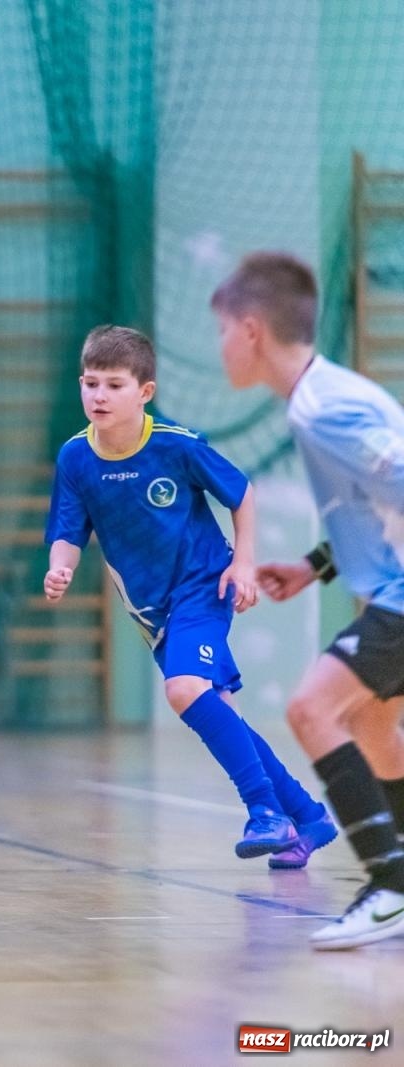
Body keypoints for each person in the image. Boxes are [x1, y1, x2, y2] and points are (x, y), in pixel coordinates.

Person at [44, 324, 334, 870]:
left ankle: (265, 812)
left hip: (203, 584)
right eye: (90, 383)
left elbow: (241, 493)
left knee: (183, 689)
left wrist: (243, 563)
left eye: (113, 385)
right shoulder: (75, 457)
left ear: (144, 392)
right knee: (218, 712)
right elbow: (68, 528)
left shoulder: (175, 444)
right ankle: (309, 816)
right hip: (151, 609)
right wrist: (60, 568)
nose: (99, 396)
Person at [213, 250, 404, 949]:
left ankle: (390, 885)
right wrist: (317, 564)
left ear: (252, 330)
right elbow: (373, 504)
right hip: (386, 589)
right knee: (375, 728)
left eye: (223, 330)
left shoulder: (327, 409)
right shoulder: (318, 401)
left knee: (311, 708)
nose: (221, 346)